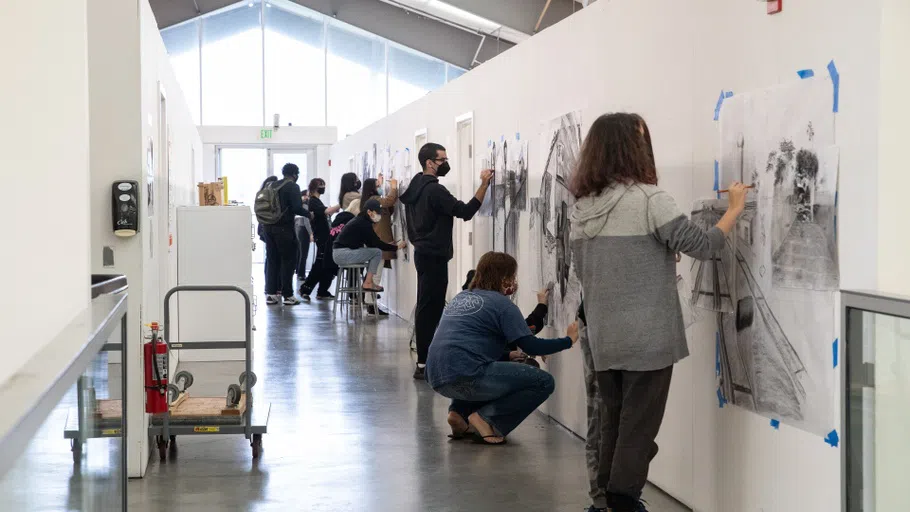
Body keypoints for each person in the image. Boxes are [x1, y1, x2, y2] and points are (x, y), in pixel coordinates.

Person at [568, 113, 747, 512]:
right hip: (648, 337)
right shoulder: (650, 199)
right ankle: (624, 500)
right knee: (639, 426)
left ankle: (607, 500)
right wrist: (734, 208)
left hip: (605, 335)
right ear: (632, 149)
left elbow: (595, 272)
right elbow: (704, 245)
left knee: (613, 422)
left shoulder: (583, 207)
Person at [426, 252, 578, 445]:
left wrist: (507, 354)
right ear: (505, 278)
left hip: (436, 376)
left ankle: (458, 414)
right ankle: (487, 420)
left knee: (475, 367)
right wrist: (568, 340)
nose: (514, 281)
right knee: (543, 381)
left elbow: (465, 342)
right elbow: (532, 345)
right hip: (467, 374)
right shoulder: (502, 305)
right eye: (512, 276)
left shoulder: (461, 297)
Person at [399, 142, 494, 380]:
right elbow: (465, 211)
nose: (446, 164)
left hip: (423, 253)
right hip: (434, 255)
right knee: (430, 308)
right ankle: (424, 363)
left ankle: (425, 359)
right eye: (442, 160)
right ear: (430, 162)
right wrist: (484, 184)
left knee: (426, 306)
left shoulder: (415, 186)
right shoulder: (434, 191)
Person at [461, 269, 550, 366]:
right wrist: (541, 306)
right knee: (532, 367)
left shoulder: (472, 306)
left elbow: (518, 329)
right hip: (480, 367)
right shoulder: (482, 310)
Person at [333, 199, 406, 293]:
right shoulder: (363, 223)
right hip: (343, 254)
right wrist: (396, 247)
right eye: (377, 213)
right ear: (369, 212)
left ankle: (368, 282)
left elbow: (372, 243)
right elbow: (376, 243)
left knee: (375, 251)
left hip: (340, 253)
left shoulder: (360, 221)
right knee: (377, 252)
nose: (379, 216)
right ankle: (368, 283)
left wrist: (387, 245)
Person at [263, 164, 309, 306]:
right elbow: (296, 208)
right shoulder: (292, 186)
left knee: (272, 260)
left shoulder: (271, 185)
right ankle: (287, 295)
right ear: (295, 174)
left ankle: (271, 294)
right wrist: (309, 214)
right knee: (288, 261)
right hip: (284, 229)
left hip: (268, 228)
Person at [361, 176, 399, 316]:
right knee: (375, 274)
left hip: (379, 240)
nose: (380, 186)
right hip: (379, 242)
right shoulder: (374, 200)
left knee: (374, 273)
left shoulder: (372, 202)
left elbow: (388, 211)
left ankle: (369, 301)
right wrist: (394, 188)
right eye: (378, 184)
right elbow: (389, 201)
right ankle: (371, 304)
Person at [300, 178, 341, 301]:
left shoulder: (317, 201)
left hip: (326, 236)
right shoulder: (313, 202)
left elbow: (325, 215)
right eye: (321, 185)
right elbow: (326, 211)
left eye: (324, 184)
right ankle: (306, 288)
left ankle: (322, 291)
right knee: (320, 263)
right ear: (314, 187)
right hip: (322, 237)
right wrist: (341, 203)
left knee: (328, 263)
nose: (323, 187)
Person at [258, 176, 279, 299]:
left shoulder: (261, 194)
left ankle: (269, 286)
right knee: (273, 258)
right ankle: (273, 287)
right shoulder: (272, 195)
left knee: (270, 257)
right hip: (273, 228)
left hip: (264, 228)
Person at [295, 189, 313, 284]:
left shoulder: (297, 205)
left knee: (300, 252)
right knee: (304, 253)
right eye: (307, 195)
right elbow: (306, 221)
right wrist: (311, 233)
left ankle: (298, 271)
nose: (308, 197)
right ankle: (301, 274)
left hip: (298, 229)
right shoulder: (305, 206)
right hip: (303, 230)